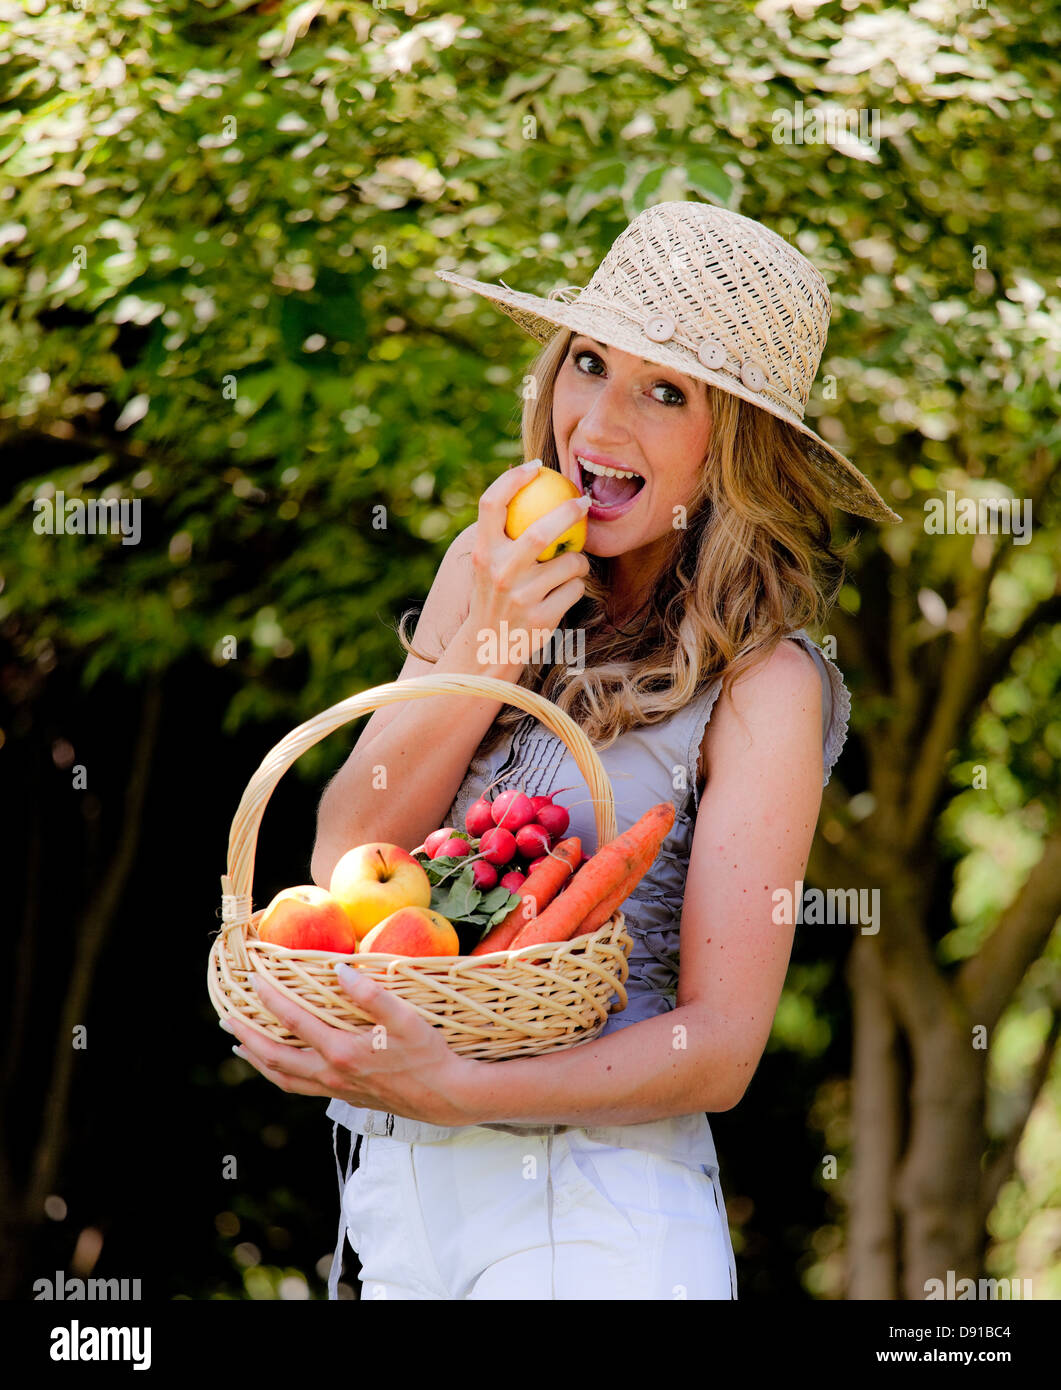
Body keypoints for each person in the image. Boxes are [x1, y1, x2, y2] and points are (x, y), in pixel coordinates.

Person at [233, 201, 901, 1300]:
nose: (597, 423)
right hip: (394, 1206)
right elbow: (349, 851)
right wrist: (493, 637)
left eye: (664, 391)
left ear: (730, 441)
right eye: (588, 362)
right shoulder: (486, 568)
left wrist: (453, 1087)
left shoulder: (762, 685)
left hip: (594, 1220)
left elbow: (721, 1047)